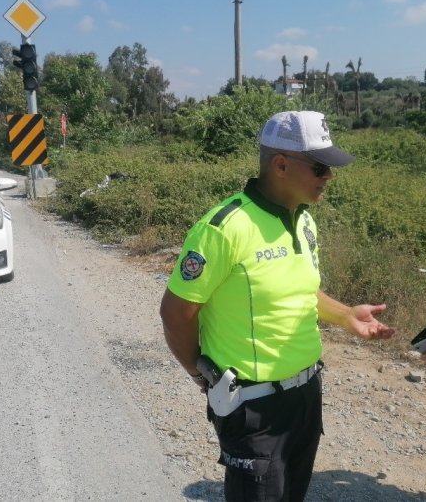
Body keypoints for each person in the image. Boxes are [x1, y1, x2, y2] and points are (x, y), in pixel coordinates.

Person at [159, 110, 393, 502]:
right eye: (320, 168)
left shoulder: (303, 220)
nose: (329, 177)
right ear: (281, 165)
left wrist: (345, 314)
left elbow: (298, 292)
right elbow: (175, 313)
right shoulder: (224, 227)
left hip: (305, 395)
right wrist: (203, 376)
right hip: (253, 406)